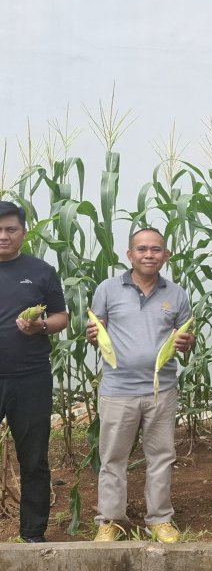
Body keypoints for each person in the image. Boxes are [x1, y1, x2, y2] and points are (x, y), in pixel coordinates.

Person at [88, 227, 194, 543]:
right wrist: (91, 334)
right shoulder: (107, 290)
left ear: (166, 255)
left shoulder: (176, 294)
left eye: (156, 249)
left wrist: (187, 342)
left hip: (162, 389)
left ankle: (159, 519)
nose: (149, 255)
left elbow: (184, 336)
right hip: (118, 389)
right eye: (142, 249)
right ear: (130, 254)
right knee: (113, 458)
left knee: (161, 456)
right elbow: (96, 332)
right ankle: (111, 520)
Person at [0, 201, 69, 543]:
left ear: (24, 233)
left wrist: (39, 325)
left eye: (11, 229)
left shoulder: (41, 270)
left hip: (31, 378)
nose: (3, 235)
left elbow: (61, 317)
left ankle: (32, 533)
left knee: (34, 458)